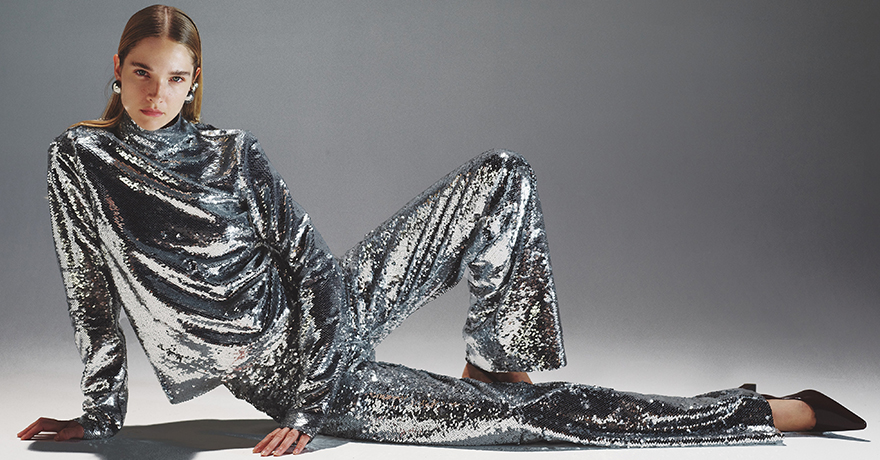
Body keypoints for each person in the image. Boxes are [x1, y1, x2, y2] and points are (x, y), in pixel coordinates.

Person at [17, 5, 865, 457]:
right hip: (287, 373)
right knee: (531, 423)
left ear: (195, 81)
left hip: (326, 324)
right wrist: (99, 415)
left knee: (503, 174)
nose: (156, 93)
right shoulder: (78, 160)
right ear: (117, 71)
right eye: (141, 74)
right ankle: (764, 413)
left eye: (174, 78)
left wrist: (313, 395)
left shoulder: (232, 152)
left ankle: (495, 360)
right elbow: (90, 293)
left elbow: (314, 268)